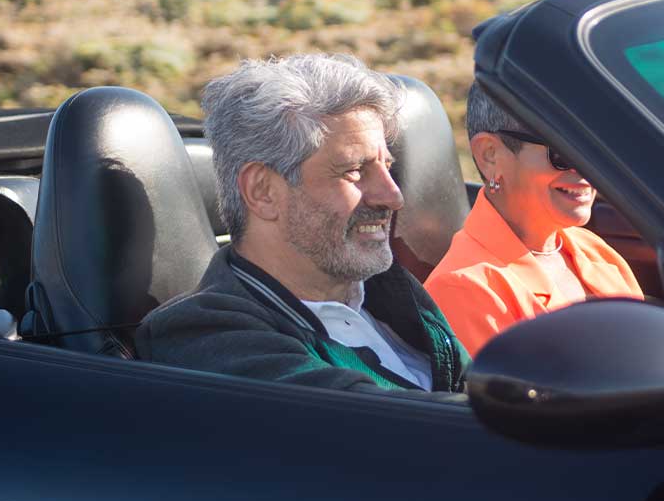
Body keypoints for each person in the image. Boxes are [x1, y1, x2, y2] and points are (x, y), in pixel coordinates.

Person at [136, 54, 470, 397]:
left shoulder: (385, 290)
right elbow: (392, 427)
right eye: (354, 171)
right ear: (263, 191)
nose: (393, 196)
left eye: (387, 167)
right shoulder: (208, 336)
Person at [424, 83, 644, 356]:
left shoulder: (593, 250)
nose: (587, 167)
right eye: (563, 151)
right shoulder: (462, 290)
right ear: (489, 155)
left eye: (595, 147)